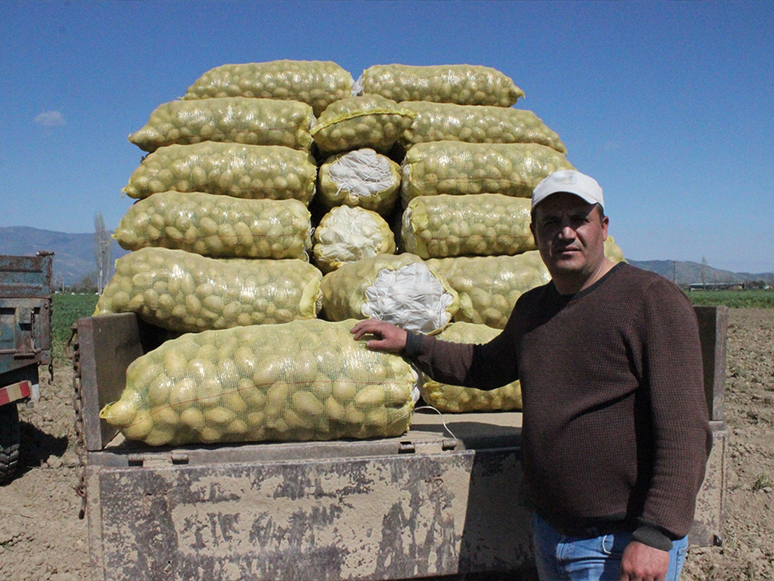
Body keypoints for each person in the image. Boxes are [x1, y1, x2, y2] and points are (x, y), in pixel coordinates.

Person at [351, 169, 712, 581]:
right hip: (550, 533)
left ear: (604, 227)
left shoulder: (650, 300)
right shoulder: (534, 309)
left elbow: (685, 431)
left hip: (620, 542)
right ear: (534, 233)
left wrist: (656, 534)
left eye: (578, 219)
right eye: (551, 222)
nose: (565, 232)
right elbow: (483, 366)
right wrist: (411, 342)